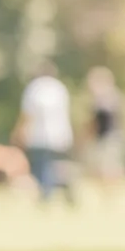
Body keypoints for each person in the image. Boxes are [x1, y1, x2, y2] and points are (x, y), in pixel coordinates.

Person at [12, 61, 75, 204]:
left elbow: (28, 115)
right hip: (61, 136)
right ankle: (63, 186)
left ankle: (46, 195)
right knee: (54, 166)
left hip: (39, 136)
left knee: (42, 168)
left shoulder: (34, 89)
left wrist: (19, 133)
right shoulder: (60, 89)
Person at [85, 66, 125, 188]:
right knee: (100, 168)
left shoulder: (106, 99)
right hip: (103, 139)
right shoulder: (108, 98)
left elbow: (96, 122)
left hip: (109, 139)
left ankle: (112, 192)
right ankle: (107, 192)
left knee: (109, 167)